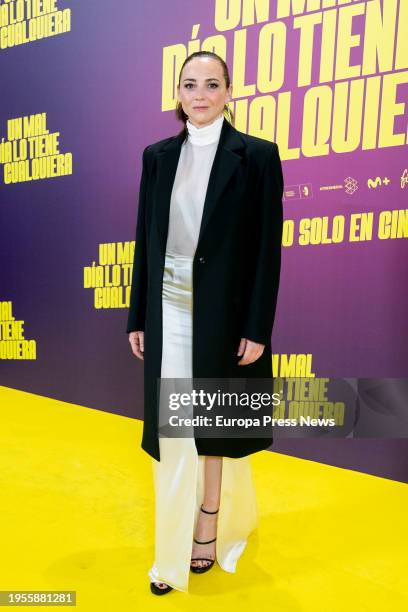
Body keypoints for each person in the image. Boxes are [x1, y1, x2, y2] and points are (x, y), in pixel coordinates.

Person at [126, 51, 284, 595]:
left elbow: (267, 251)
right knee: (171, 430)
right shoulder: (156, 156)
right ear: (177, 92)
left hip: (219, 317)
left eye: (211, 84)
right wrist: (138, 315)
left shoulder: (257, 157)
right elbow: (146, 240)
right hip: (166, 313)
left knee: (213, 425)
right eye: (190, 84)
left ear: (228, 91)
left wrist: (257, 326)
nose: (199, 94)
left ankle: (208, 525)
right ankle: (168, 549)